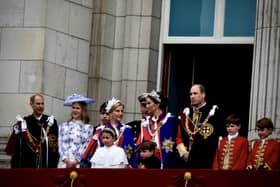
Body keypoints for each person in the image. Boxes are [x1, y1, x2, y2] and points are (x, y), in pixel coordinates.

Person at [176, 84, 224, 168]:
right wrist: (183, 152)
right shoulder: (185, 114)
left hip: (206, 160)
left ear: (203, 95)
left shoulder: (213, 112)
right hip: (186, 161)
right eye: (190, 94)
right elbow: (178, 137)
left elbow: (218, 138)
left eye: (195, 93)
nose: (192, 96)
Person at [5, 93, 59, 168]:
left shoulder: (51, 122)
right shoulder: (25, 123)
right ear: (31, 104)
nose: (41, 106)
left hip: (47, 165)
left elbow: (54, 146)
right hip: (29, 165)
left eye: (42, 104)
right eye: (38, 104)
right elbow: (18, 148)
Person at [83, 97, 136, 167]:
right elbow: (94, 151)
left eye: (122, 111)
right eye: (117, 111)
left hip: (120, 164)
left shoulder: (127, 130)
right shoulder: (101, 130)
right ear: (110, 113)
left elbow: (130, 150)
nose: (120, 113)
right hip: (103, 165)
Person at [136, 90, 177, 169]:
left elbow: (176, 144)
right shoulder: (145, 124)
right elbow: (139, 145)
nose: (146, 106)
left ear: (157, 104)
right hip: (147, 166)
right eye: (145, 104)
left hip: (166, 166)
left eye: (149, 103)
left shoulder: (170, 121)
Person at [57, 93, 94, 168]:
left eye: (78, 108)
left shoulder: (88, 128)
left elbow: (86, 146)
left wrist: (76, 161)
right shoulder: (63, 126)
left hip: (78, 164)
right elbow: (60, 144)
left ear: (83, 110)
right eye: (73, 108)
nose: (75, 110)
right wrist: (65, 159)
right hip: (63, 164)